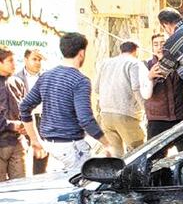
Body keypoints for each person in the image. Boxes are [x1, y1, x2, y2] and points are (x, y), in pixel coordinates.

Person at [20, 32, 112, 170]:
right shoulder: (80, 81)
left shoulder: (46, 76)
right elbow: (85, 119)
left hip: (50, 147)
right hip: (71, 147)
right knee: (84, 187)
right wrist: (106, 143)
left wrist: (35, 140)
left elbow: (24, 107)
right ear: (81, 53)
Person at [93, 41, 149, 157]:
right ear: (136, 51)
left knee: (116, 154)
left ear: (121, 50)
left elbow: (96, 88)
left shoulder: (105, 63)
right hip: (126, 114)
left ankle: (116, 175)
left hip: (106, 114)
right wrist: (146, 109)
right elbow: (136, 88)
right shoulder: (134, 63)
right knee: (138, 151)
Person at [10, 48, 47, 174]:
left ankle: (40, 178)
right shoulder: (16, 78)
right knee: (22, 153)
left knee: (41, 153)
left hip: (43, 118)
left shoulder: (46, 77)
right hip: (24, 120)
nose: (37, 62)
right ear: (25, 60)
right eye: (34, 59)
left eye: (39, 60)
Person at [0, 46, 27, 180]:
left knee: (20, 185)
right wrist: (10, 125)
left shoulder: (17, 82)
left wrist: (25, 127)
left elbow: (26, 109)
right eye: (10, 61)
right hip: (1, 143)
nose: (14, 64)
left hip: (17, 142)